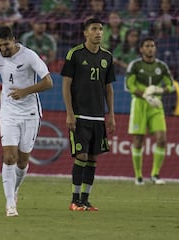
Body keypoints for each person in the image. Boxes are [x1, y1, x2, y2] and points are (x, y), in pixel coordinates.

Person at [0, 25, 53, 217]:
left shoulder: (29, 56)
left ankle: (15, 190)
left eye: (6, 45)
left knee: (22, 161)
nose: (3, 49)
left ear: (14, 40)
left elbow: (48, 82)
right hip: (8, 112)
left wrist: (24, 92)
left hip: (30, 113)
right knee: (9, 157)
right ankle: (10, 204)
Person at [61, 18, 116, 211]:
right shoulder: (75, 54)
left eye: (101, 29)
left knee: (93, 157)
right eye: (94, 29)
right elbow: (66, 84)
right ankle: (74, 199)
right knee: (82, 155)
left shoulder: (107, 57)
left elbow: (108, 88)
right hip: (80, 116)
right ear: (86, 33)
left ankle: (85, 199)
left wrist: (111, 115)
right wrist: (70, 113)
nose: (98, 32)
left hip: (98, 117)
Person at [125, 37, 175, 185]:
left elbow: (171, 86)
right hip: (139, 104)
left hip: (156, 105)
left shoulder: (162, 66)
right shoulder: (135, 65)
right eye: (147, 46)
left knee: (162, 139)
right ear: (141, 49)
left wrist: (159, 89)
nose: (150, 48)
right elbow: (129, 86)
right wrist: (146, 95)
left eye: (152, 46)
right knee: (138, 141)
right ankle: (138, 176)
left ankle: (155, 174)